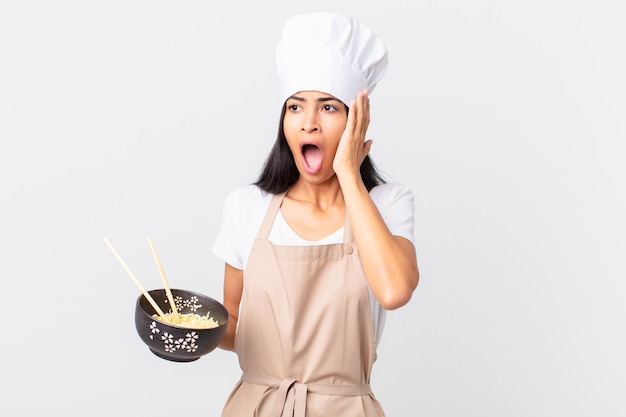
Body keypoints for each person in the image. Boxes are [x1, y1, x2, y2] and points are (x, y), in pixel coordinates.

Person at [212, 12, 419, 417]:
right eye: (295, 107)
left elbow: (394, 291)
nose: (308, 123)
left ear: (356, 121)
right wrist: (192, 330)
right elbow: (235, 321)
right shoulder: (245, 206)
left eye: (328, 107)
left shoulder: (387, 203)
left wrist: (348, 174)